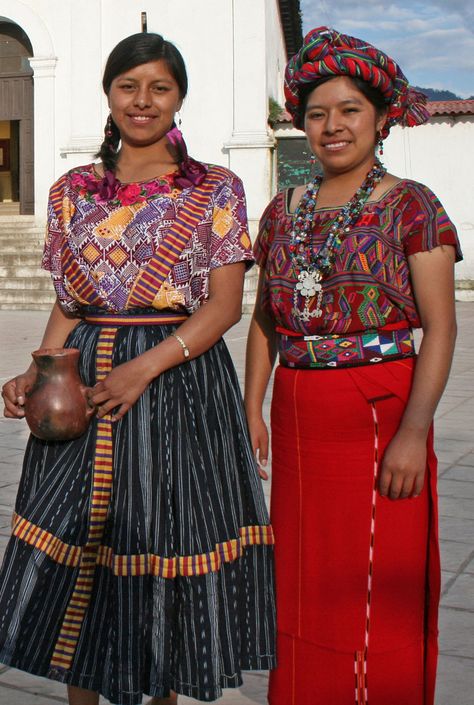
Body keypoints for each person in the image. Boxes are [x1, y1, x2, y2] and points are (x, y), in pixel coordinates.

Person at [0, 32, 276, 705]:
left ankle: (162, 694)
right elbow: (70, 301)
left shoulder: (217, 188)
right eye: (129, 85)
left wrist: (142, 369)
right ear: (109, 93)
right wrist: (40, 371)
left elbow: (223, 307)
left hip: (179, 379)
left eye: (159, 86)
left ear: (179, 96)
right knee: (83, 550)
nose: (143, 100)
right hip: (89, 377)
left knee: (165, 540)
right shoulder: (72, 193)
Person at [245, 26, 462, 705]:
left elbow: (443, 326)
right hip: (299, 413)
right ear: (301, 124)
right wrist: (252, 404)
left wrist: (414, 429)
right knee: (307, 579)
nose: (332, 126)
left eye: (349, 110)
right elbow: (264, 318)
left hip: (380, 415)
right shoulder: (284, 210)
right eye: (317, 113)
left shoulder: (412, 205)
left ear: (380, 117)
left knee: (374, 580)